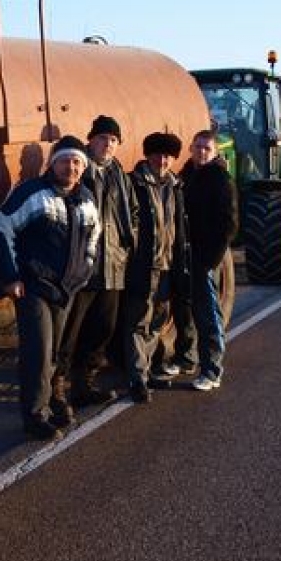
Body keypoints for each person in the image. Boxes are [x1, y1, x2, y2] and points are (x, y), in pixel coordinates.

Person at [0, 135, 100, 440]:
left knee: (54, 353)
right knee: (38, 352)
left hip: (66, 289)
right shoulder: (32, 194)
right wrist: (11, 276)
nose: (71, 167)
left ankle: (51, 401)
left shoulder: (86, 199)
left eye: (77, 162)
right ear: (53, 163)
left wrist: (84, 272)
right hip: (34, 287)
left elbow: (94, 239)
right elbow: (0, 228)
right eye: (65, 160)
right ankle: (35, 417)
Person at [55, 115, 137, 410]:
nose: (108, 144)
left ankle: (84, 384)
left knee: (103, 328)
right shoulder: (78, 169)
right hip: (83, 267)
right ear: (91, 140)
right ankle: (57, 390)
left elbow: (133, 214)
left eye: (113, 140)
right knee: (70, 330)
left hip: (113, 265)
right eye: (102, 138)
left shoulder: (119, 174)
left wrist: (128, 249)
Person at [121, 131, 184, 403]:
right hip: (143, 266)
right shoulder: (134, 184)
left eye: (168, 156)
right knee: (138, 321)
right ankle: (137, 378)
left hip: (168, 266)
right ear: (147, 156)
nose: (163, 160)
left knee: (158, 321)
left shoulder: (176, 186)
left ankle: (145, 370)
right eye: (157, 154)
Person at [176, 129, 239, 390]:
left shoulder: (220, 179)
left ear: (215, 153)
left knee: (207, 314)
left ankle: (212, 370)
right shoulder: (188, 175)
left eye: (207, 149)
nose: (201, 152)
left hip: (205, 257)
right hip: (187, 253)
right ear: (191, 148)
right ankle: (187, 358)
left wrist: (211, 260)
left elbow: (229, 224)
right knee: (186, 309)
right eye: (198, 147)